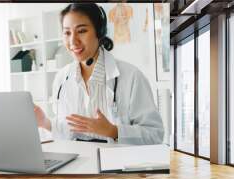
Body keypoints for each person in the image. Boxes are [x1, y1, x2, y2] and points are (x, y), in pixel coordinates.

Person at [34, 3, 164, 145]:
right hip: (77, 161)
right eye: (67, 33)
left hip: (118, 162)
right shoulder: (61, 79)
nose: (73, 41)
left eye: (82, 31)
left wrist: (113, 131)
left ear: (99, 31)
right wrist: (45, 122)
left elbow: (155, 135)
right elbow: (66, 130)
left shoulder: (132, 77)